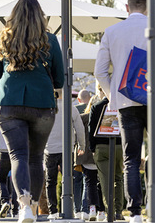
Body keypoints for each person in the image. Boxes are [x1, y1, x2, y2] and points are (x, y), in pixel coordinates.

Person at [94, 0, 155, 223]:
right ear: (149, 7)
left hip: (126, 102)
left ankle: (135, 213)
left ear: (127, 7)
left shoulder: (111, 32)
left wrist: (114, 95)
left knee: (131, 157)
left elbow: (99, 72)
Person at [0, 0, 64, 223]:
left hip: (9, 103)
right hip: (42, 104)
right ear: (40, 16)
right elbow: (60, 80)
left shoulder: (4, 39)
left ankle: (23, 205)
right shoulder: (51, 40)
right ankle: (33, 206)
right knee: (36, 158)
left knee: (17, 156)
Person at [44, 92, 86, 219]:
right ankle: (71, 209)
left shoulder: (46, 108)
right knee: (68, 180)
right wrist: (81, 146)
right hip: (67, 150)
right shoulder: (71, 108)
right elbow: (80, 129)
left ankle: (53, 211)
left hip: (49, 149)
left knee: (50, 181)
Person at [88, 87, 124, 221]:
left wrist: (92, 148)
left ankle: (110, 212)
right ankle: (119, 211)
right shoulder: (121, 105)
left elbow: (91, 130)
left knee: (105, 181)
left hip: (101, 147)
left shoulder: (96, 107)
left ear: (101, 90)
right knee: (118, 178)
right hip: (119, 146)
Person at [0, 116, 19, 219]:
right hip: (17, 151)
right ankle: (15, 210)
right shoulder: (19, 112)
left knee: (0, 179)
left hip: (2, 151)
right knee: (16, 180)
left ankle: (4, 201)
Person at [73, 89, 91, 217]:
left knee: (76, 180)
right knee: (88, 180)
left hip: (75, 151)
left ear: (79, 99)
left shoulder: (74, 110)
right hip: (88, 151)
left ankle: (76, 209)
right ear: (89, 98)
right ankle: (86, 208)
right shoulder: (92, 109)